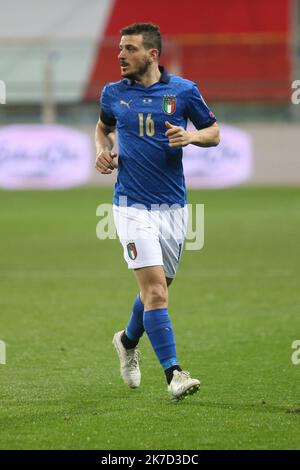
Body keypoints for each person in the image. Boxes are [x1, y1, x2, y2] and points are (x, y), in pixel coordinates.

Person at [95, 23, 220, 401]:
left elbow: (213, 132)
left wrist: (191, 136)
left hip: (173, 207)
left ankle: (127, 340)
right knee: (155, 292)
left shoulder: (183, 91)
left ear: (152, 55)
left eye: (129, 49)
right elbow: (103, 128)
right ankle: (174, 374)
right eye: (119, 48)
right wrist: (102, 149)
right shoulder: (113, 93)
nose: (120, 55)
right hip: (130, 205)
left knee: (158, 290)